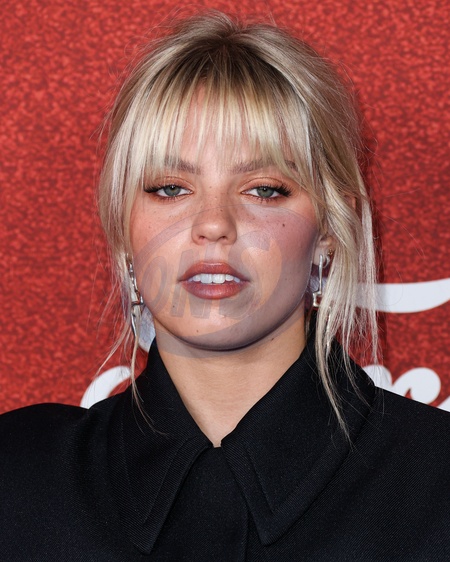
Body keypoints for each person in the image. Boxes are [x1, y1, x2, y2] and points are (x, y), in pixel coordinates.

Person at [1, 11, 450, 561]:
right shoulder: (18, 477)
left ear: (330, 231)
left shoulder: (435, 484)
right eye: (170, 188)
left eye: (264, 189)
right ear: (123, 227)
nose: (213, 224)